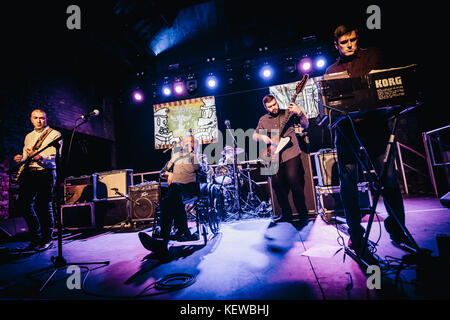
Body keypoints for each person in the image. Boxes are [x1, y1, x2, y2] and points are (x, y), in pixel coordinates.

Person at [325, 25, 412, 260]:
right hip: (347, 131)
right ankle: (356, 234)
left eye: (352, 40)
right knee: (348, 184)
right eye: (344, 42)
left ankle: (398, 229)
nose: (350, 45)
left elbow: (388, 86)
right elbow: (330, 106)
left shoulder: (373, 55)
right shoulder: (331, 70)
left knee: (389, 178)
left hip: (375, 126)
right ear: (336, 45)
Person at [138, 134, 201, 260]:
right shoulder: (175, 157)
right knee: (167, 200)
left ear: (195, 145)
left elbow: (202, 170)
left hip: (190, 189)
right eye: (186, 142)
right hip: (176, 192)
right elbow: (163, 171)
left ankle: (166, 238)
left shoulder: (196, 157)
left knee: (171, 195)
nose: (188, 144)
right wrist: (169, 173)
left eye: (191, 142)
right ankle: (168, 240)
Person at [253, 94, 309, 227]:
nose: (273, 108)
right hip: (274, 156)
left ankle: (303, 215)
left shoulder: (288, 113)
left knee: (295, 183)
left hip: (291, 153)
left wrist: (299, 112)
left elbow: (305, 125)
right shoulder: (263, 119)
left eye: (275, 104)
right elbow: (255, 135)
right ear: (265, 107)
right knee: (278, 187)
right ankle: (286, 215)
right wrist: (262, 137)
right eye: (270, 106)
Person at [13, 109, 62, 251]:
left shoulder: (54, 134)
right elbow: (26, 156)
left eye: (42, 118)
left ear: (46, 119)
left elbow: (55, 157)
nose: (39, 121)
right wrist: (20, 159)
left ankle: (47, 239)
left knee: (43, 205)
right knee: (23, 204)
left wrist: (40, 158)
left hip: (45, 172)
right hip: (29, 173)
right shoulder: (28, 136)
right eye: (36, 118)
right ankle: (36, 236)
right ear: (31, 119)